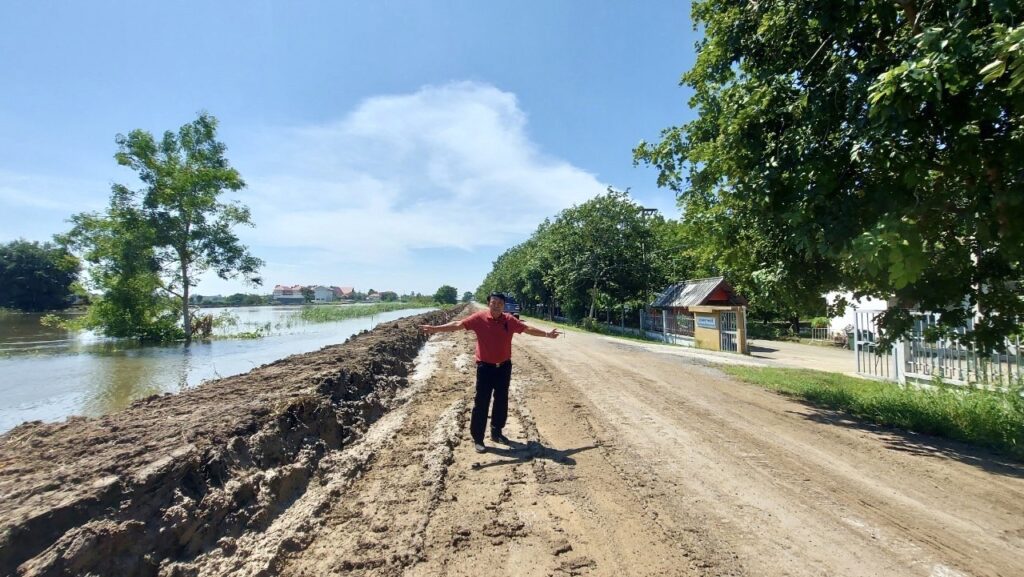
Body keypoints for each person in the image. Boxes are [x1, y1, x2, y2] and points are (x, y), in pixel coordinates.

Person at [419, 292, 560, 453]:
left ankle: (496, 432)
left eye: (500, 303)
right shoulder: (479, 318)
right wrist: (435, 329)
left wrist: (547, 334)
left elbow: (527, 328)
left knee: (501, 400)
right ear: (489, 303)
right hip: (485, 368)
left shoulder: (509, 320)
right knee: (481, 402)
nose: (497, 305)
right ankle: (478, 438)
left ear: (504, 305)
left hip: (504, 367)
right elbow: (458, 324)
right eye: (494, 302)